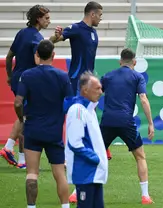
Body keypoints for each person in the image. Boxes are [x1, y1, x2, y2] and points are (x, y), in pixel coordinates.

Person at [49, 1, 110, 202]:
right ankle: (70, 158)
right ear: (92, 14)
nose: (101, 18)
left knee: (88, 122)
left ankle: (90, 153)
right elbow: (55, 39)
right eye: (100, 15)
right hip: (77, 84)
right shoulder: (76, 29)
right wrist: (56, 36)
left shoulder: (94, 33)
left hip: (89, 84)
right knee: (75, 121)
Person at [14, 40, 72, 208]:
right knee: (59, 174)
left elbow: (18, 103)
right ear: (53, 55)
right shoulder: (62, 76)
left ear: (37, 55)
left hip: (33, 130)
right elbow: (69, 103)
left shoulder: (27, 75)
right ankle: (65, 206)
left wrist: (21, 120)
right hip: (54, 131)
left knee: (32, 173)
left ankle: (31, 207)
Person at [100, 48, 154, 204]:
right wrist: (151, 123)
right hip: (126, 122)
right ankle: (145, 196)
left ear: (120, 61)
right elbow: (143, 99)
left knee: (93, 157)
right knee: (140, 156)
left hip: (107, 121)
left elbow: (95, 95)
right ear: (135, 62)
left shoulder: (108, 76)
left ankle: (77, 192)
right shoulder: (137, 77)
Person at [1, 4, 50, 169]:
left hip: (16, 78)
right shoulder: (37, 39)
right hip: (28, 82)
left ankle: (21, 159)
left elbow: (9, 57)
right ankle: (8, 148)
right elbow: (39, 62)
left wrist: (9, 76)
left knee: (24, 116)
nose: (49, 21)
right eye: (46, 18)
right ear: (38, 19)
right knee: (26, 118)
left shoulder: (21, 33)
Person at [65, 72, 108, 208]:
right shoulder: (78, 110)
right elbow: (75, 143)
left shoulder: (89, 110)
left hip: (93, 173)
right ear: (85, 90)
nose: (101, 92)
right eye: (97, 88)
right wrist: (95, 158)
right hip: (85, 172)